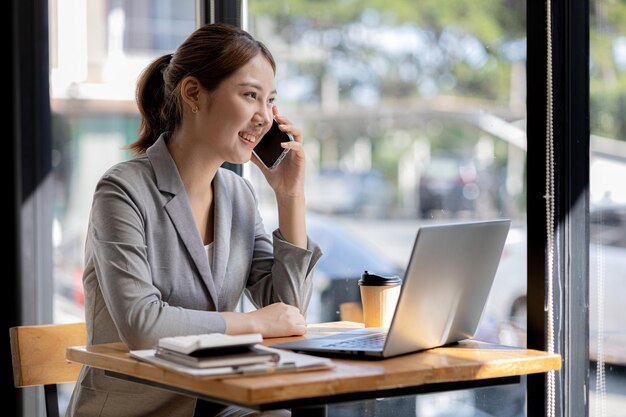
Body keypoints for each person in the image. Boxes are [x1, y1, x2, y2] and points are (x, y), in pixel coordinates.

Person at [65, 23, 322, 417]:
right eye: (250, 95)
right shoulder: (123, 190)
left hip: (215, 404)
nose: (265, 118)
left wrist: (290, 197)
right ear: (192, 94)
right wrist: (252, 322)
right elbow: (142, 325)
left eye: (270, 100)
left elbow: (287, 315)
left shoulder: (239, 196)